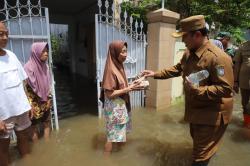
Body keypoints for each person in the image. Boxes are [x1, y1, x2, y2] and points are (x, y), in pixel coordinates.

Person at [143, 15, 234, 166]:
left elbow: (225, 89)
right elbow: (178, 69)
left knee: (200, 156)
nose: (182, 40)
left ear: (197, 35)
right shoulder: (189, 52)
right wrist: (155, 74)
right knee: (200, 145)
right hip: (196, 110)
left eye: (184, 37)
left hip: (212, 114)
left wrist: (198, 90)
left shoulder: (218, 58)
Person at [101, 40, 143, 155]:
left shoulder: (119, 66)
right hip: (114, 108)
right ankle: (106, 160)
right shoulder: (111, 69)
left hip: (119, 106)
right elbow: (109, 94)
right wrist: (128, 89)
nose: (125, 54)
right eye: (122, 52)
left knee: (119, 135)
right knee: (111, 137)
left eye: (126, 51)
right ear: (115, 52)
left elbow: (121, 86)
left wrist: (134, 84)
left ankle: (120, 156)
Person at [0, 22, 31, 166]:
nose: (5, 37)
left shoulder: (11, 55)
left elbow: (22, 82)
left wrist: (28, 104)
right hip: (3, 115)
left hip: (21, 109)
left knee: (24, 138)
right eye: (1, 34)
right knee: (3, 148)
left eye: (6, 33)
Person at [24, 42, 52, 142]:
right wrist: (28, 105)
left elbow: (48, 84)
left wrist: (48, 99)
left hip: (45, 101)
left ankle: (47, 146)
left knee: (47, 122)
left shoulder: (45, 66)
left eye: (47, 51)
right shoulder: (28, 68)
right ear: (36, 52)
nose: (46, 53)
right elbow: (27, 88)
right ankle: (37, 149)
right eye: (43, 51)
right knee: (33, 127)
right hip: (33, 103)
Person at [233, 41, 250, 128]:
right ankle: (247, 125)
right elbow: (237, 65)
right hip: (245, 81)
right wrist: (235, 82)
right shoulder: (243, 46)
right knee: (245, 104)